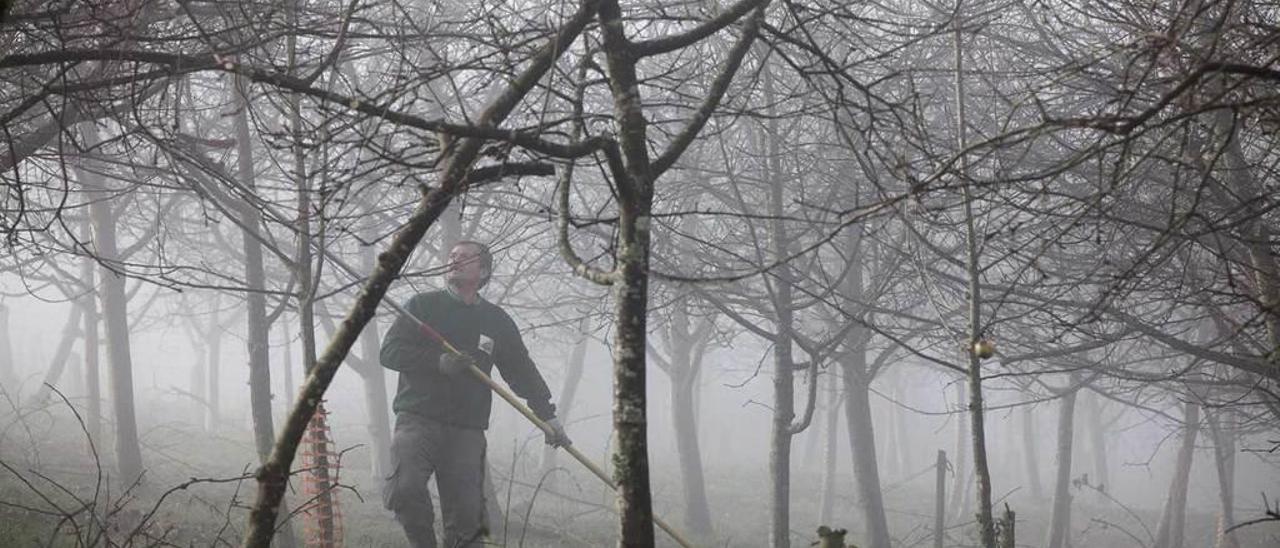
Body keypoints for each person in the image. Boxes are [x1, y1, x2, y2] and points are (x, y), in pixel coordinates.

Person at [380, 240, 570, 548]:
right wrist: (436, 361)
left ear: (483, 271)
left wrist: (548, 416)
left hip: (467, 431)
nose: (453, 260)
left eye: (465, 257)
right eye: (451, 255)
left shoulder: (496, 321)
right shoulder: (422, 306)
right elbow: (389, 352)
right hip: (417, 420)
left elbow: (521, 371)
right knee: (404, 488)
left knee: (466, 520)